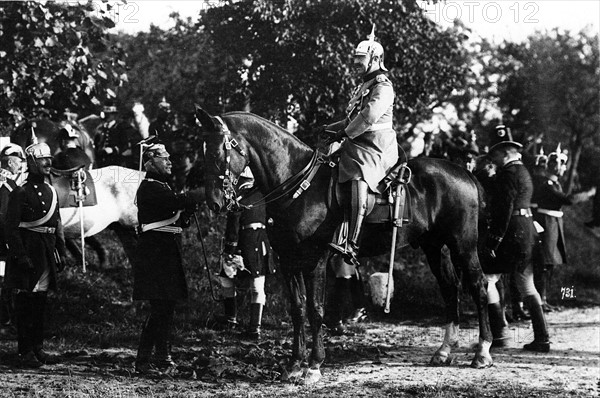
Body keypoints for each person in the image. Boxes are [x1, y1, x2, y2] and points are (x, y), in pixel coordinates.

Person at [322, 25, 399, 267]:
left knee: (358, 175)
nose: (356, 63)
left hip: (376, 146)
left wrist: (343, 134)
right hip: (358, 141)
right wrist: (329, 130)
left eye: (360, 59)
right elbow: (351, 118)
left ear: (375, 59)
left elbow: (368, 117)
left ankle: (351, 242)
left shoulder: (382, 86)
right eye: (355, 59)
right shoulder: (362, 86)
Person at [133, 142, 203, 375]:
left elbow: (176, 217)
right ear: (151, 161)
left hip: (165, 252)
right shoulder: (150, 186)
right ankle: (143, 361)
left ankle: (163, 356)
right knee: (159, 308)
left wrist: (187, 211)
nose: (170, 162)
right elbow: (174, 203)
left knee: (167, 306)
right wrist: (202, 193)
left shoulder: (162, 186)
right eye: (164, 158)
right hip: (155, 253)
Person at [483, 125, 550, 352]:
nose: (493, 159)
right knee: (526, 284)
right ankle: (542, 338)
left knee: (488, 278)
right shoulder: (522, 171)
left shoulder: (508, 174)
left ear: (505, 153)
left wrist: (493, 240)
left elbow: (504, 208)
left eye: (495, 155)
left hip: (512, 233)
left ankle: (500, 335)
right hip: (527, 231)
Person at [4, 142, 66, 367]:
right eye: (42, 160)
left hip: (46, 251)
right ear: (31, 163)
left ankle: (37, 347)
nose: (48, 163)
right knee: (26, 302)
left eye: (49, 158)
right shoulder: (20, 192)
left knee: (40, 301)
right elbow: (10, 228)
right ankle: (24, 351)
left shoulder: (51, 191)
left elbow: (56, 223)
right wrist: (20, 255)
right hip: (28, 252)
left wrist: (61, 250)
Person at [532, 145, 596, 311]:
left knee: (550, 263)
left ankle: (544, 299)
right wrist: (589, 194)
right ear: (554, 166)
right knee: (545, 262)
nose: (564, 168)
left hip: (553, 223)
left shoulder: (554, 183)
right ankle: (539, 301)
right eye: (562, 164)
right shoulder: (547, 184)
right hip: (546, 222)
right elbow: (568, 200)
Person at [219, 167, 276, 339]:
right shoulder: (266, 195)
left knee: (229, 280)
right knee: (254, 284)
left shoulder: (240, 198)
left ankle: (237, 321)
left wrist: (230, 248)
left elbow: (233, 225)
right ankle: (250, 326)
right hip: (260, 241)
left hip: (246, 242)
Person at [0, 144, 26, 337]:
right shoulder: (7, 184)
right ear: (10, 162)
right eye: (19, 161)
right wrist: (10, 239)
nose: (21, 165)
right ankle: (5, 322)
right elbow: (3, 214)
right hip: (3, 239)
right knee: (5, 279)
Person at [94, 103, 141, 168]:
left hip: (116, 160)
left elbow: (125, 145)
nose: (106, 116)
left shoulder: (120, 128)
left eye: (109, 114)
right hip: (102, 160)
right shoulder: (101, 128)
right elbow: (97, 143)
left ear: (114, 115)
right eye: (106, 114)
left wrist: (113, 150)